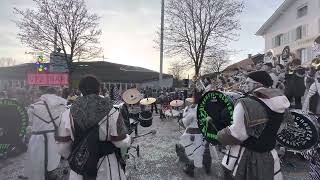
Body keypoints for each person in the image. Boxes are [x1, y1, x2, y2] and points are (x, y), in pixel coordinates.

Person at [217, 71, 290, 180]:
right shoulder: (280, 100)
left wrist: (219, 136)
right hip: (269, 153)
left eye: (248, 82)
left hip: (246, 156)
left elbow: (237, 134)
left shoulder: (246, 102)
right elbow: (281, 128)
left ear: (258, 84)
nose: (244, 85)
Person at [56, 75, 131, 180]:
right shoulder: (112, 110)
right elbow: (121, 142)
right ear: (99, 89)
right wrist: (128, 138)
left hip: (79, 169)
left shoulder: (67, 113)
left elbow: (62, 147)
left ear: (80, 90)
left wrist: (78, 155)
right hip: (107, 166)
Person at [24, 86, 69, 180]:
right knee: (52, 165)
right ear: (56, 94)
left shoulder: (33, 107)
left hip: (36, 139)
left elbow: (30, 125)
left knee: (37, 165)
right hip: (54, 139)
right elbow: (64, 125)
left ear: (43, 94)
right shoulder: (62, 107)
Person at [175, 89, 217, 177]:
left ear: (194, 98)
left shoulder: (192, 109)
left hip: (194, 135)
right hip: (205, 133)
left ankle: (190, 169)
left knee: (192, 151)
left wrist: (180, 120)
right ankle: (208, 167)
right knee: (206, 150)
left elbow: (185, 123)